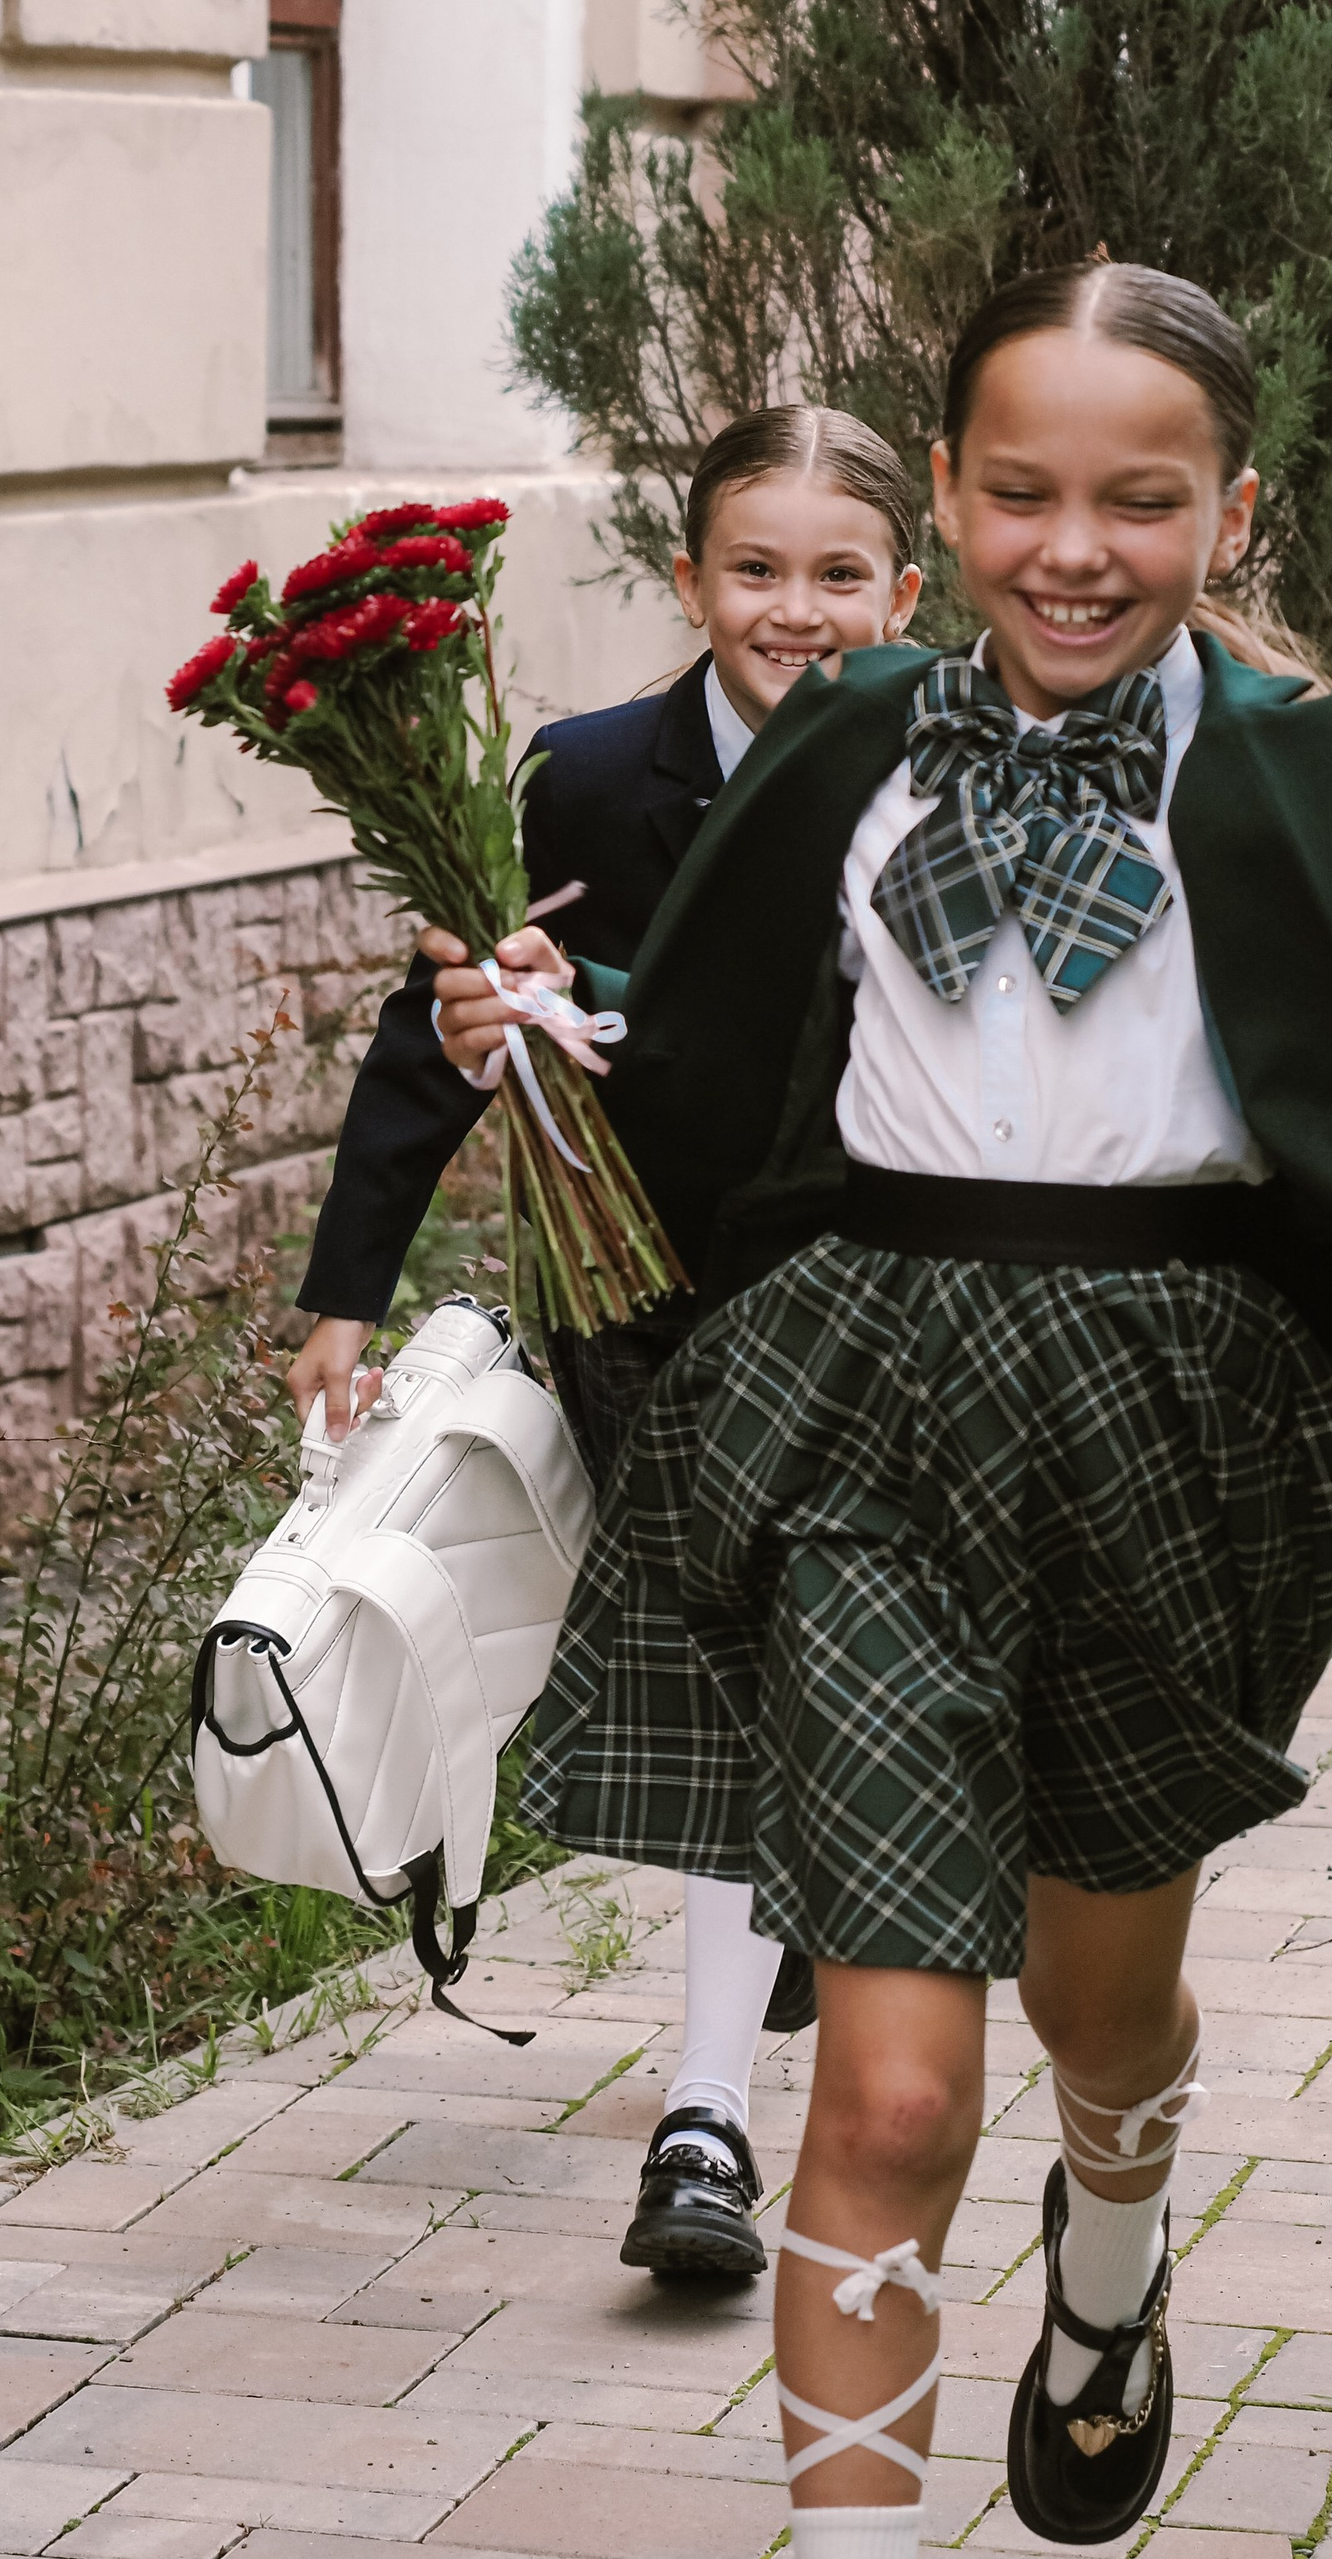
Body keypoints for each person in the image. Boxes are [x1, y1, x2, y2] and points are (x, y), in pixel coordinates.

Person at [436, 262, 1332, 2557]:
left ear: (1226, 513)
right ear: (949, 498)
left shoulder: (1314, 784)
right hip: (867, 1397)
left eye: (1137, 501)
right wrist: (530, 1043)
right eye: (1019, 494)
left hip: (1177, 1419)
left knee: (1098, 2003)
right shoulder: (844, 742)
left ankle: (1110, 2242)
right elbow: (707, 1037)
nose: (1073, 548)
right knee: (881, 2096)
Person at [287, 408, 922, 2285]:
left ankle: (707, 2108)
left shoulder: (940, 771)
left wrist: (621, 1008)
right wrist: (348, 1290)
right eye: (754, 568)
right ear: (687, 580)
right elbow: (440, 1041)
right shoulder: (574, 783)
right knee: (746, 1683)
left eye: (836, 574)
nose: (792, 611)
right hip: (641, 1308)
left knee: (782, 1673)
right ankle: (725, 2087)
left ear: (906, 587)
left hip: (866, 1293)